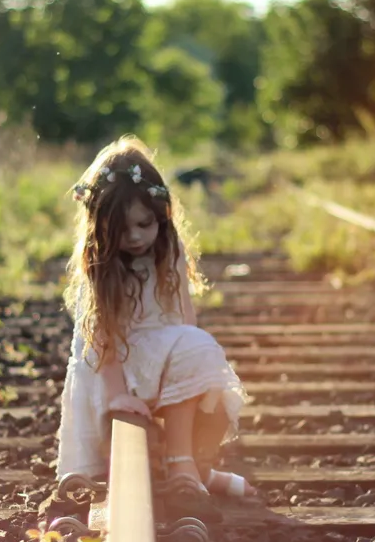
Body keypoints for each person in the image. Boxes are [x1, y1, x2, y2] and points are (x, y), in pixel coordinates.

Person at [55, 136, 255, 505]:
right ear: (100, 225)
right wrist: (117, 394)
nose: (134, 237)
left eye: (144, 224)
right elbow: (101, 336)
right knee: (113, 471)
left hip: (157, 359)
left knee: (198, 347)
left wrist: (190, 368)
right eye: (121, 229)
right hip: (110, 367)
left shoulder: (168, 247)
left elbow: (184, 321)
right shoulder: (102, 261)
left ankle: (187, 464)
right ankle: (193, 472)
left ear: (161, 216)